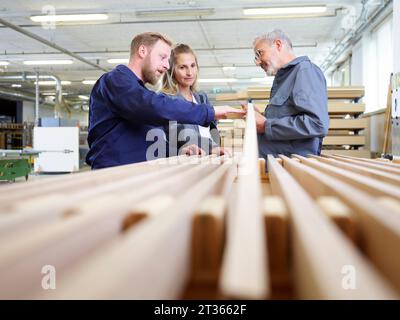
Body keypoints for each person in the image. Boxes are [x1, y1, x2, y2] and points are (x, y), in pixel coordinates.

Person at [86, 32, 244, 169]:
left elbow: (146, 141)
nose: (166, 66)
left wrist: (179, 151)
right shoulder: (116, 81)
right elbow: (151, 106)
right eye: (162, 57)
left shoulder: (139, 93)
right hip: (114, 175)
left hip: (136, 174)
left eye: (168, 60)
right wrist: (209, 112)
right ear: (142, 51)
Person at [248, 29, 329, 160]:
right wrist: (261, 117)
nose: (257, 62)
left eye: (260, 53)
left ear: (278, 44)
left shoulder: (305, 71)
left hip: (293, 169)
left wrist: (266, 125)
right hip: (277, 167)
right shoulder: (285, 78)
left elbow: (317, 124)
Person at [161, 44, 227, 156]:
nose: (189, 72)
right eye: (182, 67)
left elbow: (212, 131)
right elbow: (179, 134)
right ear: (171, 70)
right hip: (185, 161)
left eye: (193, 66)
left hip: (208, 158)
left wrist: (217, 148)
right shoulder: (166, 99)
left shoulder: (201, 98)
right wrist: (211, 147)